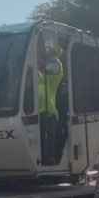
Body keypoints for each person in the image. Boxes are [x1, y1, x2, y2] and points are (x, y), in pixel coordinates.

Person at [37, 33, 66, 166]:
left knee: (48, 139)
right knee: (41, 140)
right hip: (35, 113)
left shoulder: (55, 66)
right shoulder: (39, 75)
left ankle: (49, 159)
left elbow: (49, 66)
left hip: (49, 112)